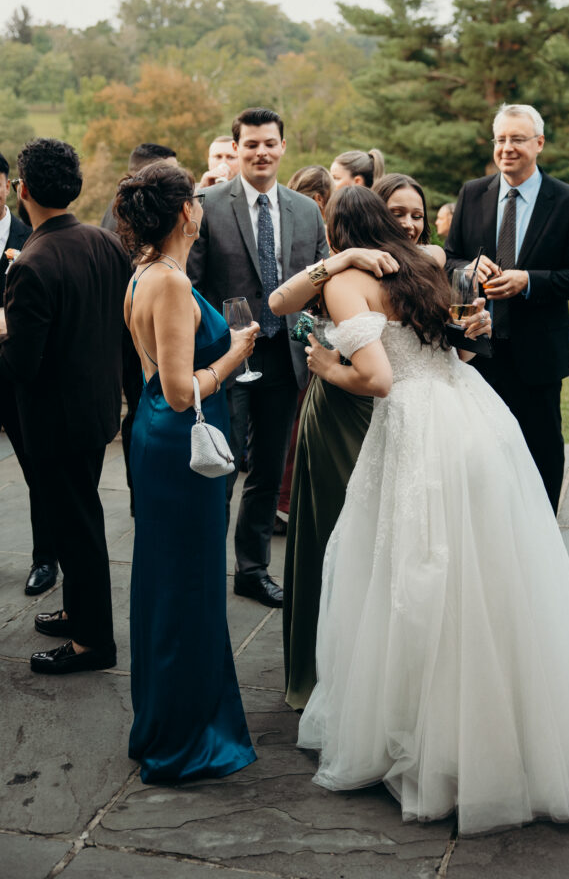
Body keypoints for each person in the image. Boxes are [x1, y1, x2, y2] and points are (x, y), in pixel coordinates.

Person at [297, 186, 569, 834]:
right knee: (490, 570)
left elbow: (377, 379)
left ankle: (436, 743)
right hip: (476, 420)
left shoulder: (346, 281)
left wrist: (324, 366)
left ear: (339, 235)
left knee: (416, 575)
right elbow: (456, 346)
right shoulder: (422, 265)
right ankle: (517, 735)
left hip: (417, 430)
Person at [276, 176, 447, 711]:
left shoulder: (399, 268)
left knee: (344, 537)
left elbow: (381, 371)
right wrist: (345, 257)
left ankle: (338, 670)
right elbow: (282, 302)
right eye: (399, 214)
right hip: (363, 415)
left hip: (358, 406)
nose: (410, 224)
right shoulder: (362, 269)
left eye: (416, 214)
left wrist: (327, 365)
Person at [114, 160, 257, 784]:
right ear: (183, 214)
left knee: (164, 580)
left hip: (157, 438)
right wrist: (234, 354)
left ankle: (160, 721)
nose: (202, 208)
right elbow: (178, 390)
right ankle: (182, 739)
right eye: (196, 201)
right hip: (179, 446)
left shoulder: (149, 270)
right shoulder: (168, 284)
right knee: (187, 588)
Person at [188, 107, 328, 608]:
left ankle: (252, 569)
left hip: (284, 359)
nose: (261, 152)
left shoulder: (306, 211)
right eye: (251, 145)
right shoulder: (205, 204)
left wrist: (312, 345)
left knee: (268, 471)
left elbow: (318, 292)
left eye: (269, 143)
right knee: (221, 469)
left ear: (283, 147)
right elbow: (192, 287)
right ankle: (205, 569)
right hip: (228, 359)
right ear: (237, 148)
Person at [0, 138, 130, 674]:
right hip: (97, 408)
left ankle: (93, 643)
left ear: (22, 189)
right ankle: (78, 610)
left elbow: (21, 368)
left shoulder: (31, 263)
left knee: (75, 527)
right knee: (81, 517)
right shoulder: (106, 243)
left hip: (54, 421)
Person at [445, 102, 569, 512]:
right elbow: (449, 256)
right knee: (481, 452)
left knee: (541, 450)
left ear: (539, 143)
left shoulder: (568, 201)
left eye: (517, 139)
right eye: (501, 139)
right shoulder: (473, 193)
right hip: (477, 350)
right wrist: (469, 267)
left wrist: (530, 281)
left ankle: (541, 535)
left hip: (538, 354)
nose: (507, 147)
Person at [101, 142, 179, 516]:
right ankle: (141, 494)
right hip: (132, 337)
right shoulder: (121, 221)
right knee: (141, 409)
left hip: (141, 331)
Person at [0, 153, 57, 596]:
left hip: (20, 374)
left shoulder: (33, 237)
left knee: (39, 470)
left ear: (8, 186)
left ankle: (45, 558)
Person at [275, 164, 336, 534]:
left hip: (298, 328)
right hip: (309, 331)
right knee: (297, 428)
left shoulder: (292, 221)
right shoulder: (327, 238)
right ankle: (285, 501)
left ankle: (283, 500)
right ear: (318, 200)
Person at [373, 173, 446, 265]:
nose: (408, 224)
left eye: (417, 216)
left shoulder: (432, 257)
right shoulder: (357, 262)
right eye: (397, 214)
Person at [100, 144, 177, 231]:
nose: (178, 179)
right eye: (170, 173)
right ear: (145, 171)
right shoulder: (133, 212)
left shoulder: (122, 204)